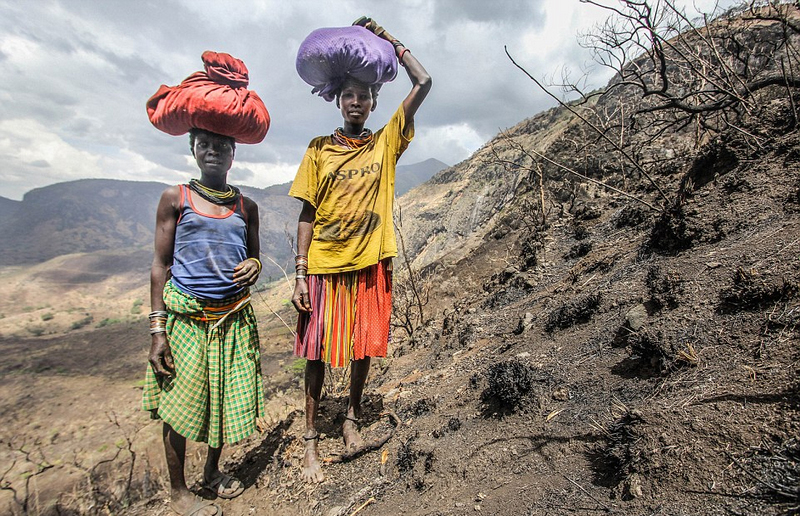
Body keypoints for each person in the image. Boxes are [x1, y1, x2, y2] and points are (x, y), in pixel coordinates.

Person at [289, 17, 432, 483]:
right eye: (348, 94)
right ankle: (310, 439)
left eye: (364, 95)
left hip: (370, 262)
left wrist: (390, 39)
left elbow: (424, 80)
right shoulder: (318, 149)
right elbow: (306, 214)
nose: (356, 101)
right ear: (337, 99)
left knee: (362, 348)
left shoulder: (386, 142)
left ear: (373, 102)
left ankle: (351, 419)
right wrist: (298, 273)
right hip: (325, 266)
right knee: (315, 353)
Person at [142, 128, 265, 516]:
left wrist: (255, 264)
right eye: (204, 145)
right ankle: (179, 493)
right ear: (193, 150)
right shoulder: (175, 198)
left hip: (232, 318)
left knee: (224, 402)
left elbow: (255, 255)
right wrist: (157, 329)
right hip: (187, 319)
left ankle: (212, 472)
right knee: (177, 406)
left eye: (221, 147)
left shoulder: (246, 207)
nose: (213, 152)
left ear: (233, 154)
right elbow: (160, 265)